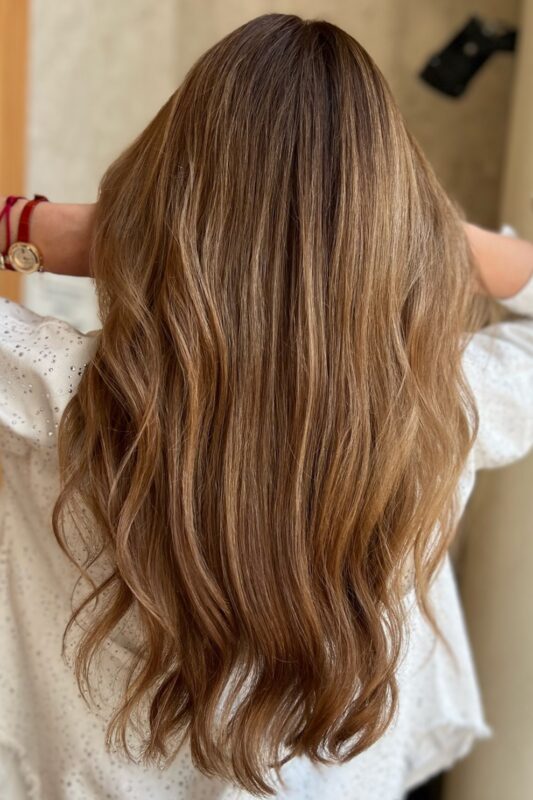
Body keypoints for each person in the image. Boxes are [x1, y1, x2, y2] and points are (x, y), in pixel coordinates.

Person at [1, 12, 533, 800]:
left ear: (157, 201)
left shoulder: (53, 394)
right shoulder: (444, 407)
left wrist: (41, 226)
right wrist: (413, 237)